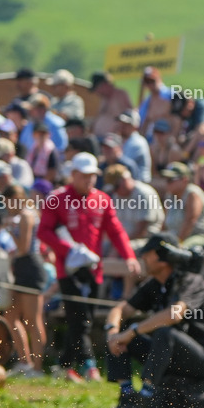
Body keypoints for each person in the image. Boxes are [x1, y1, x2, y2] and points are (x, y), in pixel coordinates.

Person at [38, 152, 140, 383]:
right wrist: (68, 250)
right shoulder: (56, 199)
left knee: (83, 319)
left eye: (93, 176)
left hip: (94, 270)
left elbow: (115, 230)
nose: (89, 180)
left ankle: (64, 366)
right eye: (84, 176)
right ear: (73, 175)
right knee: (80, 318)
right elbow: (43, 231)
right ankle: (89, 366)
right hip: (68, 271)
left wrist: (129, 256)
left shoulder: (102, 199)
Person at [105, 233, 204, 408]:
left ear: (164, 257)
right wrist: (112, 332)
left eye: (148, 253)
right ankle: (127, 397)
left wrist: (131, 332)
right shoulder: (155, 284)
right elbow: (120, 310)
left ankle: (145, 398)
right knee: (121, 334)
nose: (143, 257)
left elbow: (173, 315)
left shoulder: (191, 281)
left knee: (163, 333)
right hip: (169, 352)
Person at [0, 184, 48, 375]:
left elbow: (23, 248)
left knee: (33, 321)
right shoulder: (25, 215)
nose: (7, 208)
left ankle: (37, 368)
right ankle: (24, 362)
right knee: (10, 317)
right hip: (23, 268)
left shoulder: (27, 216)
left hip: (30, 268)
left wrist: (10, 230)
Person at [160, 161, 204, 254]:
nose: (167, 183)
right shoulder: (170, 196)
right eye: (166, 179)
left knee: (179, 251)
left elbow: (191, 221)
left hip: (201, 235)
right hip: (177, 236)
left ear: (184, 180)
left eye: (171, 180)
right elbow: (164, 224)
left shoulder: (192, 193)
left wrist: (178, 242)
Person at [89, 73, 134, 140]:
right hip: (99, 138)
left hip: (112, 139)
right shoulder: (104, 99)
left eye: (97, 88)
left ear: (105, 84)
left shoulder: (120, 95)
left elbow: (129, 117)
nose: (97, 92)